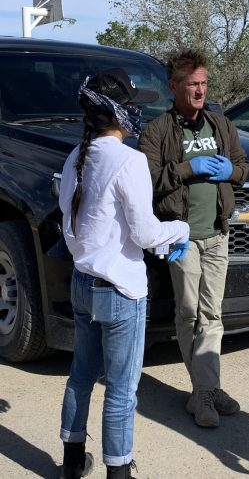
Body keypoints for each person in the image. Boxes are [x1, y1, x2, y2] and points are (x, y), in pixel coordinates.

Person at [58, 68, 189, 479]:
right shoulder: (129, 161)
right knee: (120, 390)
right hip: (120, 291)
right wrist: (180, 229)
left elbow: (71, 224)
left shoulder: (76, 156)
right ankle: (119, 472)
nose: (136, 111)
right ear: (116, 111)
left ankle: (72, 463)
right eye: (132, 104)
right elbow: (147, 233)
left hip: (83, 283)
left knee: (81, 376)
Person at [138, 49, 249, 427]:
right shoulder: (157, 131)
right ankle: (205, 389)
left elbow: (245, 166)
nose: (200, 90)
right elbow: (146, 181)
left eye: (203, 83)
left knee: (212, 314)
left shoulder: (220, 125)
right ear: (174, 87)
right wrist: (189, 168)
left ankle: (205, 390)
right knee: (188, 314)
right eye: (192, 84)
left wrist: (231, 171)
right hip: (180, 236)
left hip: (218, 233)